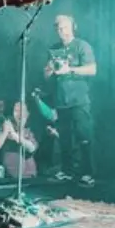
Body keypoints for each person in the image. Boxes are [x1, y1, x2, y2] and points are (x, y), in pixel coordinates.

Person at [43, 14, 96, 186]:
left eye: (65, 27)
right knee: (64, 137)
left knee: (83, 135)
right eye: (58, 28)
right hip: (61, 99)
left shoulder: (82, 45)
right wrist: (50, 70)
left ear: (73, 27)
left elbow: (92, 69)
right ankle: (67, 171)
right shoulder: (53, 48)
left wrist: (69, 69)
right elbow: (46, 76)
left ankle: (88, 172)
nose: (61, 31)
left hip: (79, 99)